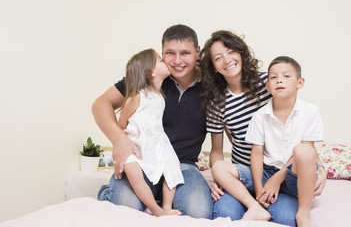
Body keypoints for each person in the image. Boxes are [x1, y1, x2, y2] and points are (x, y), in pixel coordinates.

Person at [199, 31, 326, 226]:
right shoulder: (217, 102)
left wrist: (321, 168)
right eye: (218, 58)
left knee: (286, 219)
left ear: (241, 53)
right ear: (214, 67)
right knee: (224, 213)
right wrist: (219, 179)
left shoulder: (270, 82)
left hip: (280, 168)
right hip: (243, 172)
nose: (227, 60)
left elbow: (302, 137)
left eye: (231, 51)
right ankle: (254, 205)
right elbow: (216, 151)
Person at [92, 24, 213, 218]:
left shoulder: (211, 83)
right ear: (162, 53)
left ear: (197, 53)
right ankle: (108, 194)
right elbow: (100, 105)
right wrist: (120, 140)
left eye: (185, 53)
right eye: (170, 53)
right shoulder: (147, 77)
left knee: (197, 210)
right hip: (142, 159)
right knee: (125, 205)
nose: (177, 60)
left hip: (182, 164)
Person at [245, 56, 324, 227]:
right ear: (267, 86)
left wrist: (278, 178)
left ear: (300, 82)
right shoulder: (260, 116)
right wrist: (260, 190)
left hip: (296, 173)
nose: (279, 80)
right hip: (268, 171)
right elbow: (256, 153)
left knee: (303, 150)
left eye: (286, 76)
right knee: (223, 169)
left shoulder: (310, 111)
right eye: (273, 77)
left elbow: (309, 149)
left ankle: (304, 213)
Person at [117, 48, 184, 216]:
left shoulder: (160, 97)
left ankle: (167, 208)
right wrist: (126, 145)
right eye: (161, 60)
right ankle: (155, 209)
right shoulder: (137, 97)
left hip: (157, 142)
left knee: (172, 168)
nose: (166, 61)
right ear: (151, 71)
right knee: (132, 169)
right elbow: (121, 124)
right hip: (137, 145)